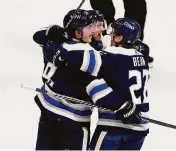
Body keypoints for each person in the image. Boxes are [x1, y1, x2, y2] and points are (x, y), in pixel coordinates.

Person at [33, 9, 140, 150]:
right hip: (72, 119)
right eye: (91, 27)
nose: (97, 30)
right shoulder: (90, 55)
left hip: (48, 110)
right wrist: (122, 105)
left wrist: (54, 32)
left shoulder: (55, 43)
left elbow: (39, 35)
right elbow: (97, 86)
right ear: (78, 32)